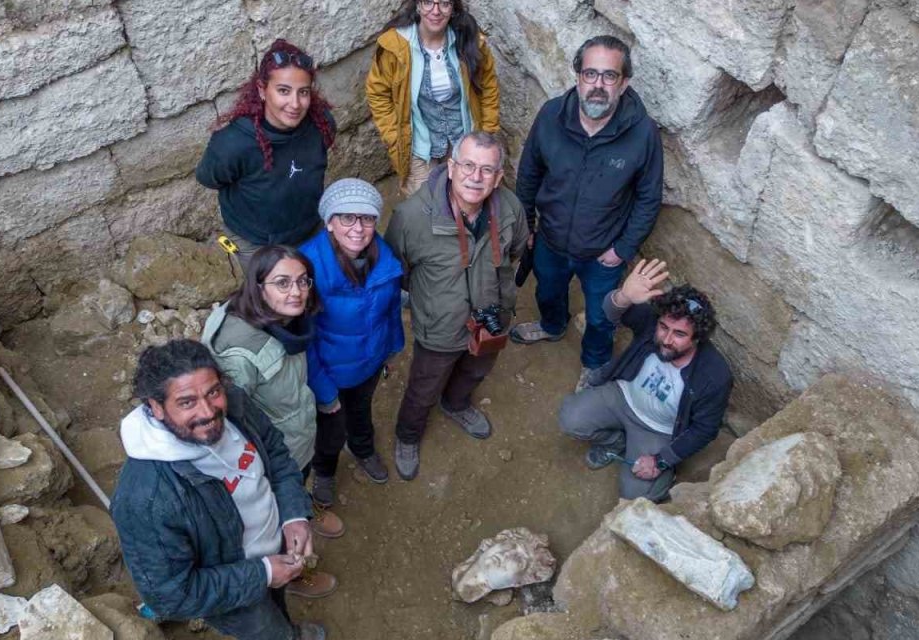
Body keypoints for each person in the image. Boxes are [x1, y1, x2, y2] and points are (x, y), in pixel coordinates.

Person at [111, 340, 327, 639]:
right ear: (156, 407)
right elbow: (170, 594)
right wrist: (262, 574)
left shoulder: (234, 403)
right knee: (267, 630)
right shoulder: (146, 499)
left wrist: (293, 515)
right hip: (233, 593)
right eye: (187, 402)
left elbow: (275, 452)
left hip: (274, 549)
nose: (209, 411)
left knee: (278, 605)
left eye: (213, 392)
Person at [509, 35, 665, 393]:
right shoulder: (551, 115)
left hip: (603, 254)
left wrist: (622, 250)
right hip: (549, 239)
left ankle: (595, 363)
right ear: (578, 76)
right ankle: (552, 325)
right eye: (590, 73)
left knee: (600, 317)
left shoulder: (643, 134)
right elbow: (529, 173)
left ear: (624, 83)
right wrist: (527, 225)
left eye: (609, 76)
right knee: (547, 291)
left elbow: (648, 198)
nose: (598, 85)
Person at [200, 245, 344, 597]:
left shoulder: (284, 320)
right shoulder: (237, 353)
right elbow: (230, 428)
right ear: (259, 286)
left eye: (302, 281)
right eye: (282, 283)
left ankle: (303, 505)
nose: (296, 292)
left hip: (296, 434)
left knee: (300, 477)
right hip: (272, 455)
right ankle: (294, 571)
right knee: (276, 517)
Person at [384, 131, 527, 480]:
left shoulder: (510, 208)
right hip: (440, 326)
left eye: (487, 170)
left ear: (498, 177)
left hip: (492, 319)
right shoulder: (411, 217)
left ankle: (457, 404)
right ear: (450, 167)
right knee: (424, 386)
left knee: (475, 370)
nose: (476, 177)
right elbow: (396, 273)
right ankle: (408, 435)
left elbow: (517, 250)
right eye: (468, 165)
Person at [557, 259, 732, 503]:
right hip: (622, 397)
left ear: (697, 338)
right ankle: (616, 442)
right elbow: (612, 311)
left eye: (679, 334)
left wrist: (660, 461)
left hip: (658, 429)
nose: (667, 339)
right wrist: (623, 296)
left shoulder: (714, 375)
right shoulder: (652, 324)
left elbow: (705, 430)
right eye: (664, 327)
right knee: (570, 419)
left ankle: (654, 468)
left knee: (638, 496)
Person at [299, 178, 405, 506]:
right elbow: (305, 339)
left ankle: (363, 449)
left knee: (361, 413)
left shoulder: (383, 255)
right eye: (347, 217)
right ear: (330, 222)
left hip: (369, 363)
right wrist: (325, 391)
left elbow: (390, 311)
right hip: (329, 372)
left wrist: (391, 349)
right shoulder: (306, 268)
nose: (358, 228)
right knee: (330, 430)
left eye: (367, 218)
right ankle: (326, 471)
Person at [197, 39, 336, 267]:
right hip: (256, 241)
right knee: (272, 296)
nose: (295, 104)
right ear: (262, 90)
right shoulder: (233, 144)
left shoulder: (321, 125)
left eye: (303, 92)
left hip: (309, 228)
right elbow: (209, 178)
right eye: (283, 91)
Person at [366, 0, 501, 198]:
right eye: (428, 2)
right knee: (425, 206)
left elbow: (489, 88)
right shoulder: (395, 45)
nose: (435, 11)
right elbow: (378, 93)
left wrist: (486, 134)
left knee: (466, 200)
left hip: (463, 138)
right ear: (418, 5)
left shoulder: (469, 41)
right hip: (419, 145)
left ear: (453, 8)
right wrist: (394, 137)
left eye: (444, 4)